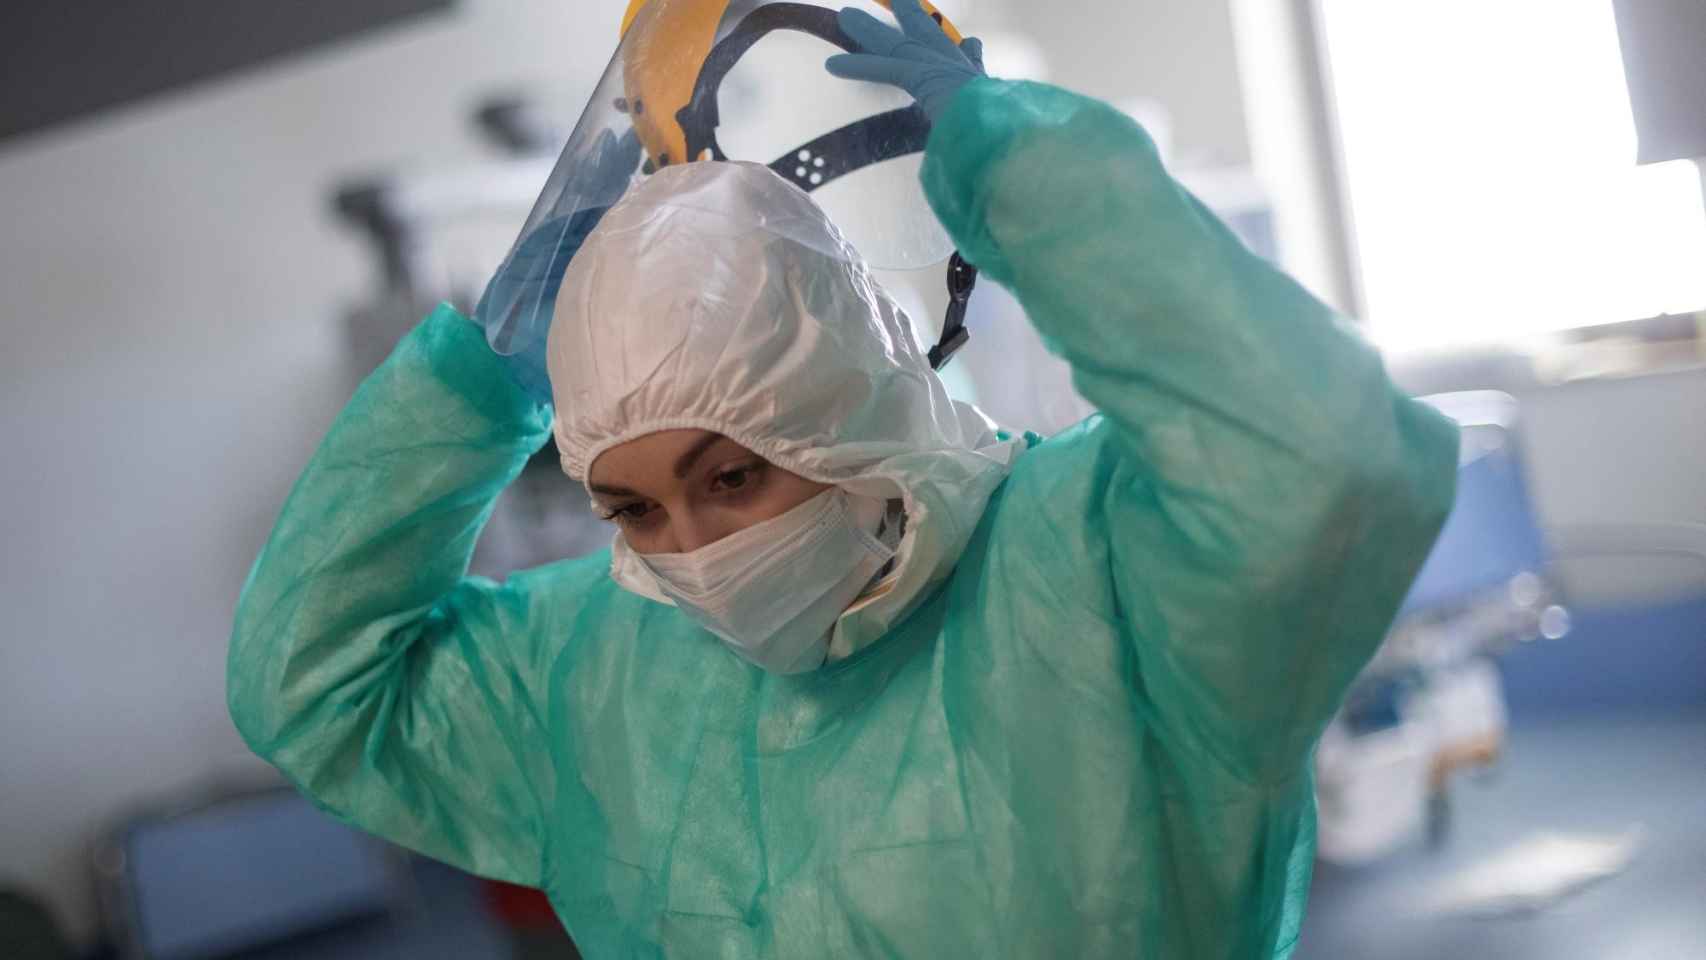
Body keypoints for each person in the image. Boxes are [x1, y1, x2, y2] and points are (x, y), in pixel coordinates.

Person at [228, 2, 1458, 956]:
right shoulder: (591, 669)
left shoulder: (1091, 572)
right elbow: (308, 685)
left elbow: (1330, 458)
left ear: (840, 420)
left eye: (732, 476)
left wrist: (1016, 168)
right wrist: (476, 387)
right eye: (634, 508)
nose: (697, 552)